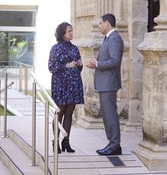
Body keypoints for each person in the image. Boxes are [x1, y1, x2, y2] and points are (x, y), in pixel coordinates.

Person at [86, 13, 124, 155]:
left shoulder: (114, 39)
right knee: (107, 115)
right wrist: (95, 65)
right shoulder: (108, 38)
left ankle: (115, 145)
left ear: (107, 23)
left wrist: (98, 63)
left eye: (101, 23)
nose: (99, 26)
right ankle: (112, 143)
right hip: (105, 84)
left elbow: (115, 60)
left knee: (110, 115)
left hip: (109, 84)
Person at [48, 22, 84, 153]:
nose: (72, 33)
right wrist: (67, 65)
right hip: (61, 85)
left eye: (72, 31)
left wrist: (79, 64)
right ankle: (55, 141)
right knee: (60, 112)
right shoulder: (55, 48)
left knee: (70, 113)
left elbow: (79, 67)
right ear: (63, 33)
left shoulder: (74, 48)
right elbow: (51, 67)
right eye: (69, 31)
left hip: (73, 84)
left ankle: (66, 141)